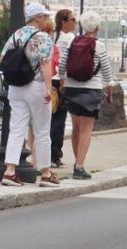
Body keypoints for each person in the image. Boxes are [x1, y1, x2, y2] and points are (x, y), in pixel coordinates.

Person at [0, 3, 60, 188]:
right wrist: (49, 88)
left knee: (16, 129)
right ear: (37, 18)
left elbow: (3, 58)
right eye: (45, 16)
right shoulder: (43, 38)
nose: (48, 20)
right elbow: (45, 64)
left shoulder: (15, 35)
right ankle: (46, 173)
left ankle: (9, 171)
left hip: (16, 87)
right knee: (42, 131)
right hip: (36, 86)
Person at [59, 11, 116, 180]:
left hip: (72, 88)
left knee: (76, 127)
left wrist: (63, 81)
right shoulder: (99, 46)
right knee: (86, 129)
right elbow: (106, 71)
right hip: (91, 89)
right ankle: (79, 166)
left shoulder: (72, 43)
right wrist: (109, 87)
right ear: (97, 27)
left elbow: (62, 66)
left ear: (83, 26)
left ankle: (78, 162)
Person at [49, 9, 76, 167]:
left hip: (47, 81)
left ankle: (46, 153)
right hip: (61, 82)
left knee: (47, 119)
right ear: (63, 22)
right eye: (72, 19)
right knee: (59, 119)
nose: (75, 22)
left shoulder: (50, 36)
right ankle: (55, 154)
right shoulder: (69, 39)